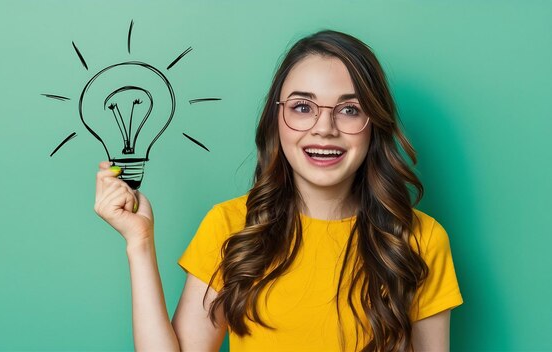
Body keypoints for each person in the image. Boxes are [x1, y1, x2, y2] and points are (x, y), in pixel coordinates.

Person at [94, 30, 463, 352]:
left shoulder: (419, 240)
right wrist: (138, 243)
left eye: (349, 109)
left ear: (373, 124)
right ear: (277, 119)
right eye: (303, 107)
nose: (324, 128)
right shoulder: (231, 227)